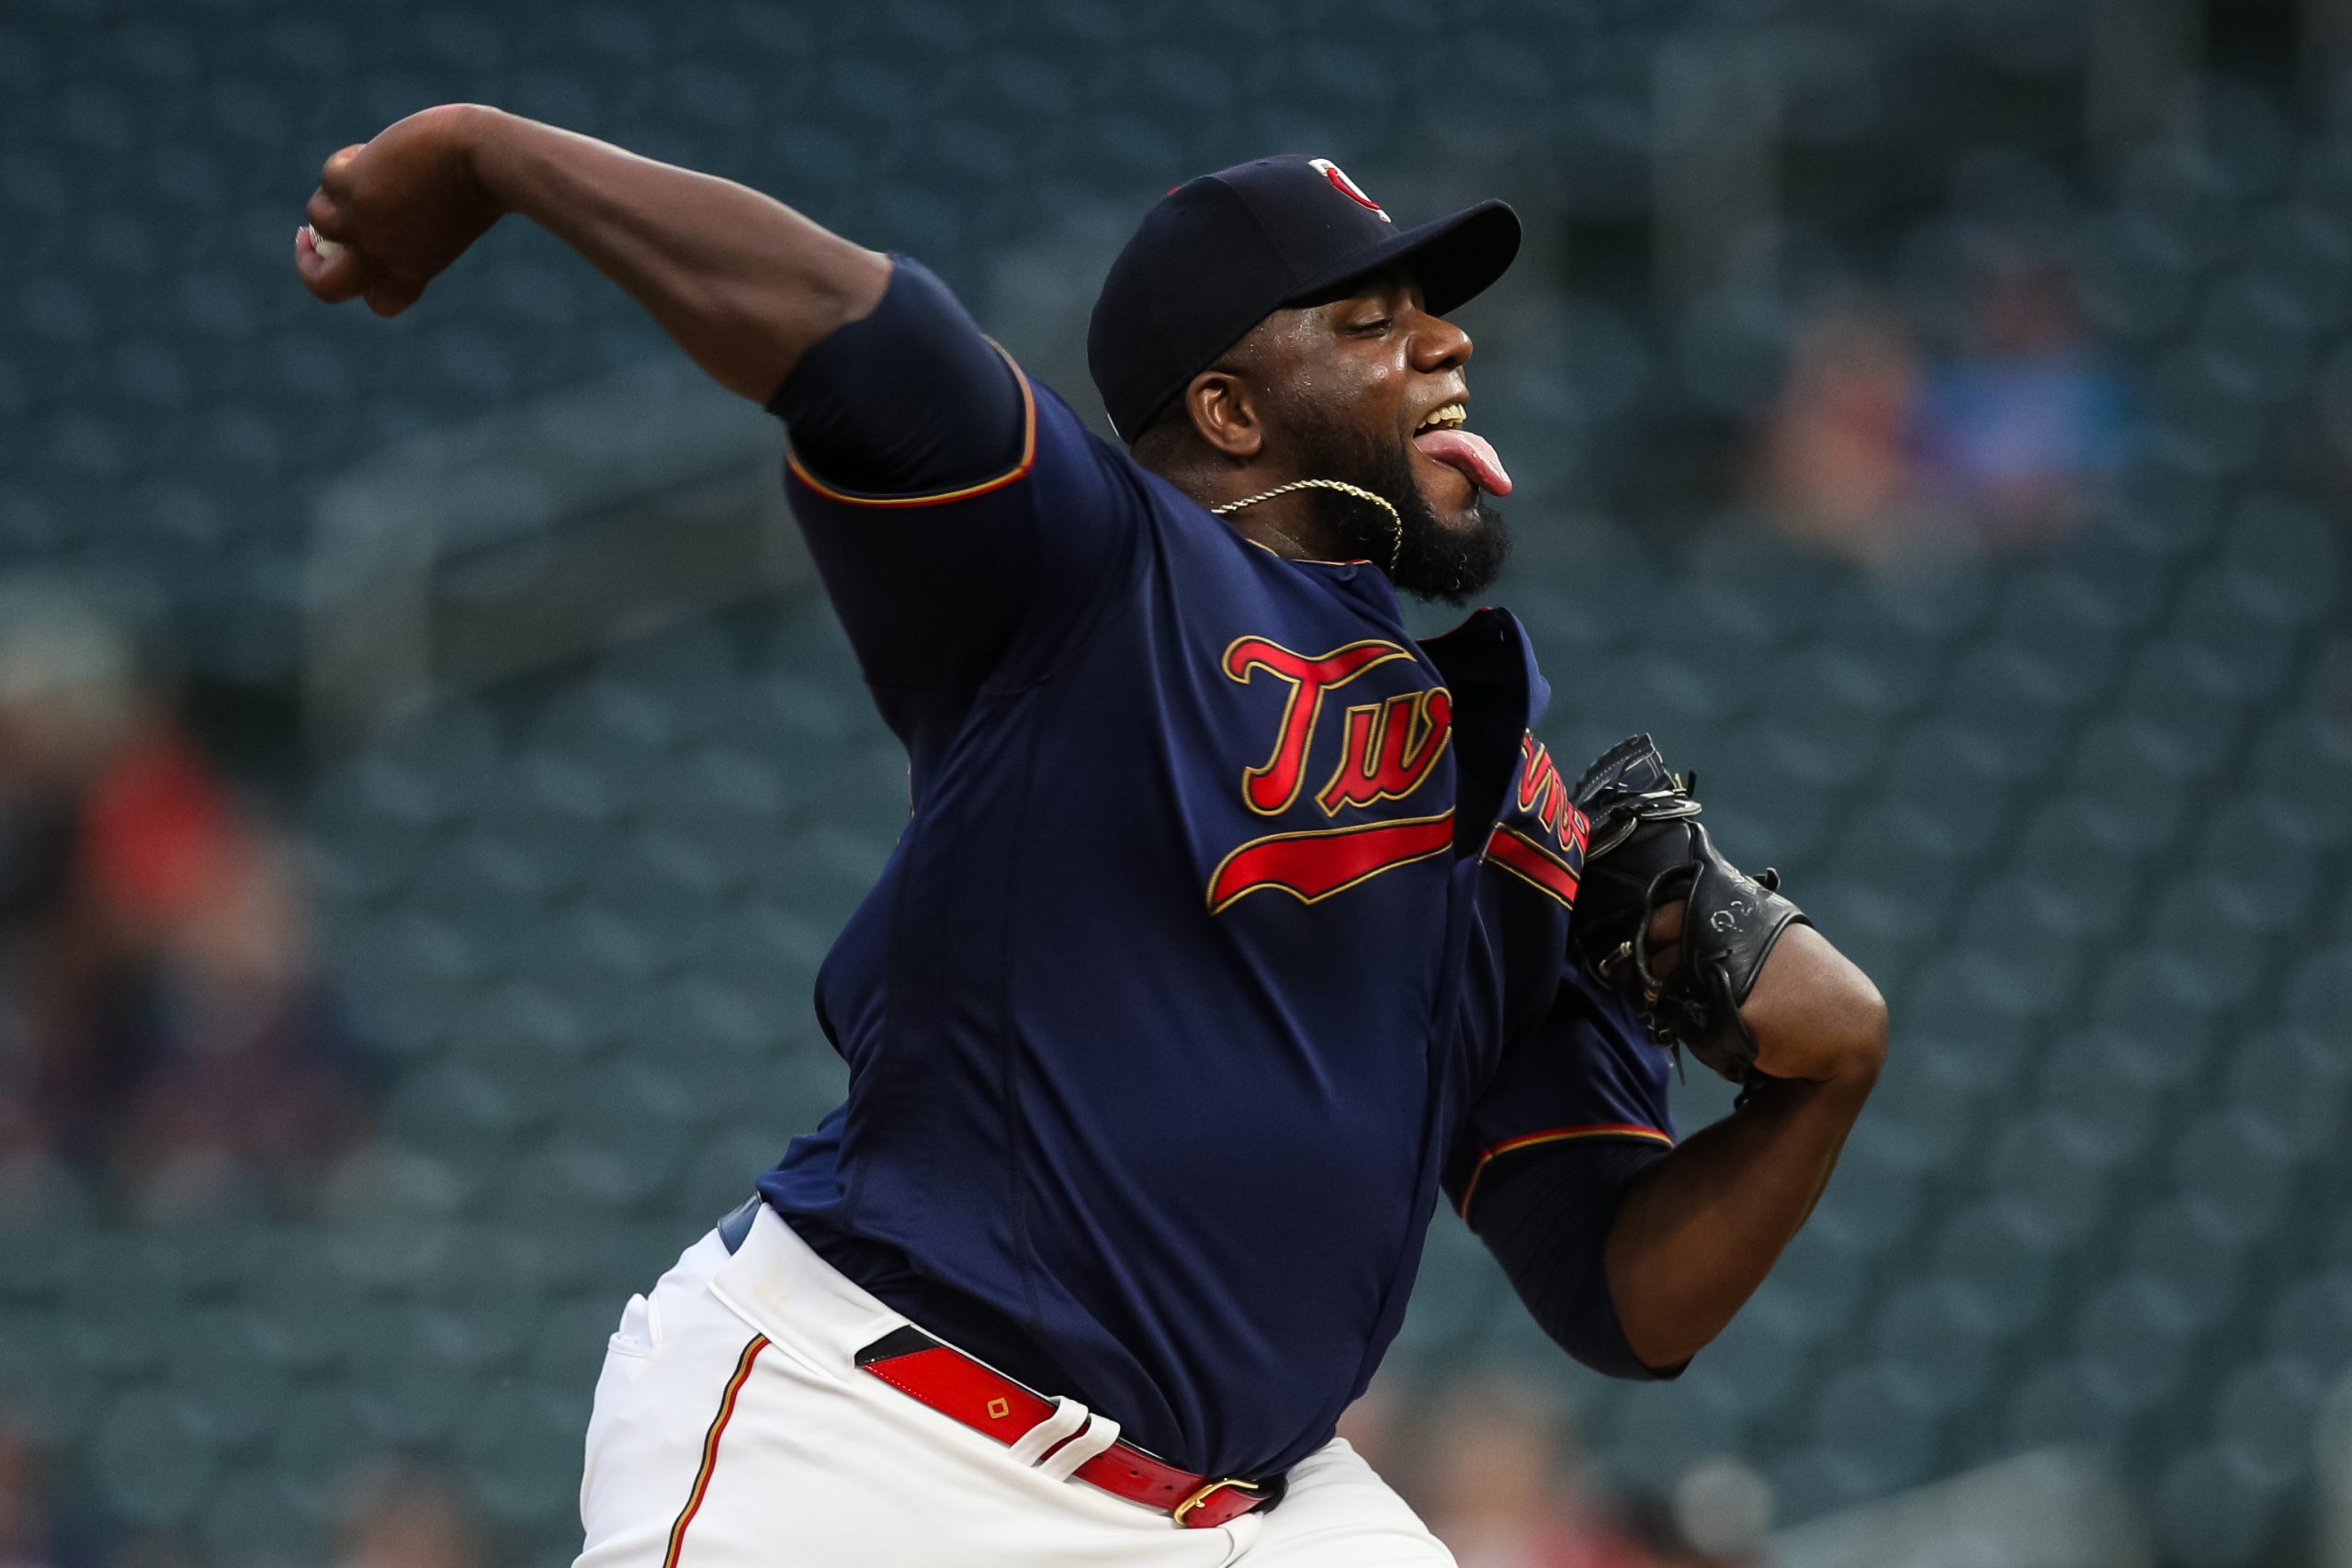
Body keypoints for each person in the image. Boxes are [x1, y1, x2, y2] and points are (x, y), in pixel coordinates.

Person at [294, 106, 1889, 1567]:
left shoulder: (1510, 801)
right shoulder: (1098, 576)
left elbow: (1618, 1288)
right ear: (1227, 409)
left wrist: (1818, 1091)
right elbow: (860, 334)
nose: (1445, 341)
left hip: (1256, 1510)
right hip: (874, 1444)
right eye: (1371, 321)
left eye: (1434, 314)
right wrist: (493, 155)